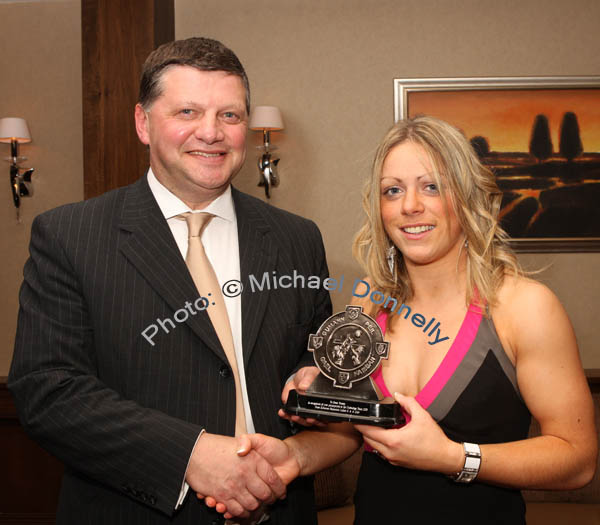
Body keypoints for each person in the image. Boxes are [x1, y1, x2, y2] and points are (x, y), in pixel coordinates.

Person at [206, 115, 597, 524]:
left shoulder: (525, 307)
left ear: (466, 195)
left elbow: (577, 460)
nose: (409, 206)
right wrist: (294, 456)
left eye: (431, 186)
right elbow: (355, 431)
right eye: (393, 191)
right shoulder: (372, 300)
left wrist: (451, 457)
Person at [8, 37, 332, 525]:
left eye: (230, 115)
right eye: (187, 112)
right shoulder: (70, 235)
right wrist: (192, 456)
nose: (212, 132)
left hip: (278, 510)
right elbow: (49, 391)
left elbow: (316, 352)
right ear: (143, 122)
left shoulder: (297, 239)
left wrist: (319, 376)